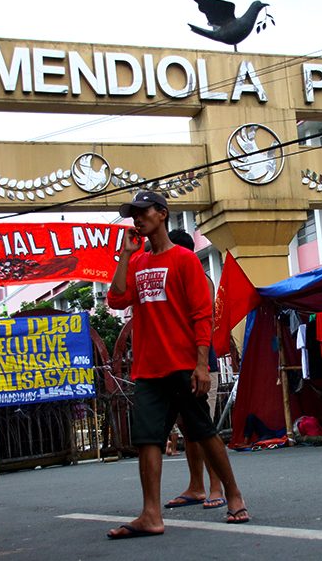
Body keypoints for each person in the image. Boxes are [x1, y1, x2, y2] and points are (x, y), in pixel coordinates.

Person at [106, 191, 248, 540]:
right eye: (133, 214)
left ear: (163, 214)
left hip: (183, 365)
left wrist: (202, 364)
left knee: (203, 431)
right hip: (149, 369)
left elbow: (202, 316)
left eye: (143, 212)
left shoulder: (185, 260)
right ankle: (150, 515)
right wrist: (125, 256)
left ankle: (234, 495)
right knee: (147, 440)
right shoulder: (138, 263)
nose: (137, 219)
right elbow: (115, 298)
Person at [162, 229, 226, 510]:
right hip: (175, 366)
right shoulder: (168, 279)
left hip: (201, 364)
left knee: (203, 429)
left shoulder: (201, 279)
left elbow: (201, 320)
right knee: (188, 429)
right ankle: (196, 486)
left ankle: (216, 487)